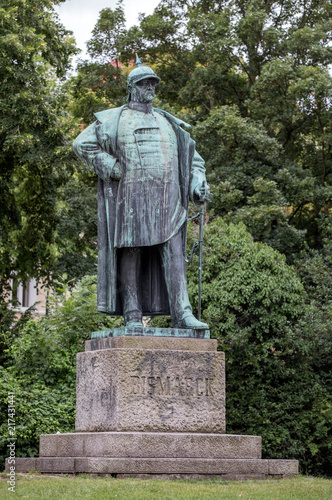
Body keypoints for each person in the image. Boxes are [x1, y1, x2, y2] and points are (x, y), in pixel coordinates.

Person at [73, 56, 210, 329]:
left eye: (153, 83)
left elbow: (194, 161)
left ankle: (183, 313)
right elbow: (81, 144)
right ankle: (132, 314)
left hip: (168, 199)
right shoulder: (114, 118)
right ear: (131, 87)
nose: (150, 87)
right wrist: (110, 166)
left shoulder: (170, 123)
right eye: (144, 83)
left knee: (174, 252)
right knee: (131, 250)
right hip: (131, 196)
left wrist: (196, 184)